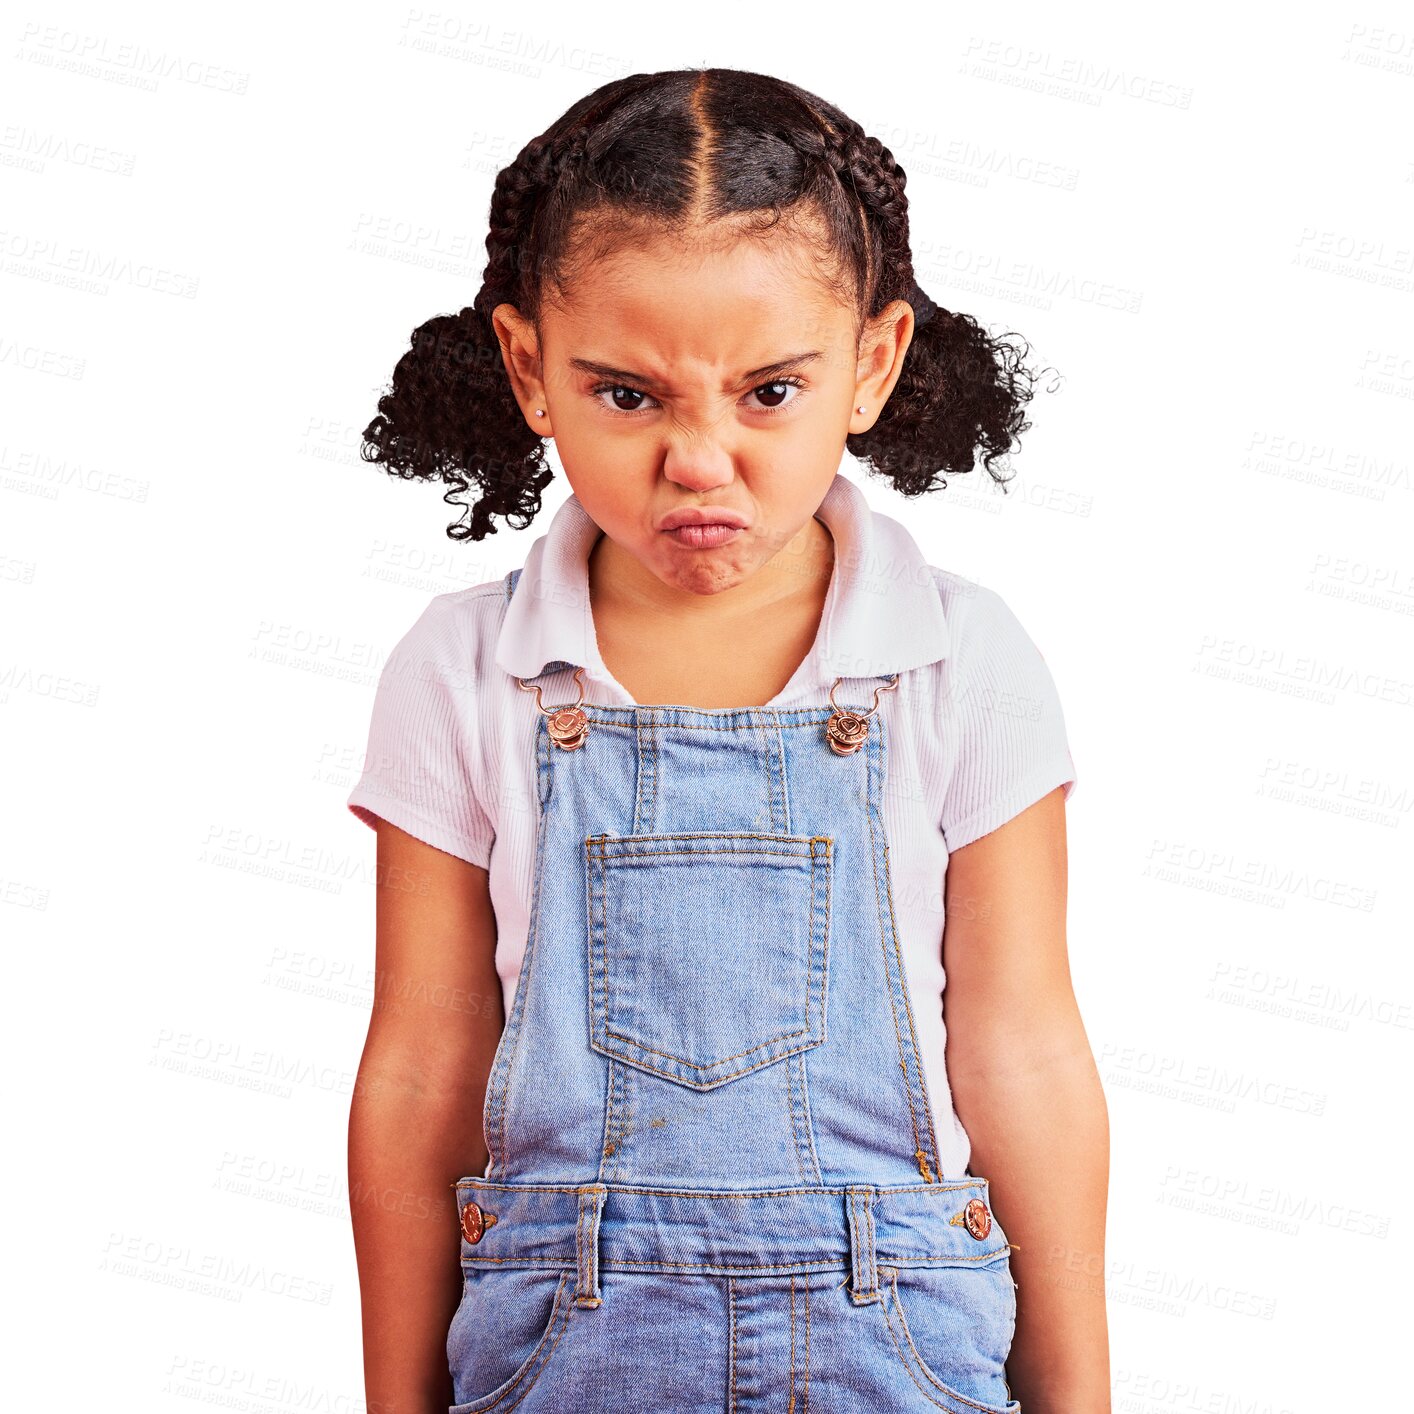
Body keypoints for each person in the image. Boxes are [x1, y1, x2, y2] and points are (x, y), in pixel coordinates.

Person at [345, 67, 1109, 1414]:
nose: (700, 458)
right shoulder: (465, 667)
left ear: (869, 364)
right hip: (560, 1346)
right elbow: (421, 1060)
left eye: (767, 391)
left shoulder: (955, 656)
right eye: (626, 395)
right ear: (531, 369)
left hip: (901, 1336)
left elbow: (1023, 1044)